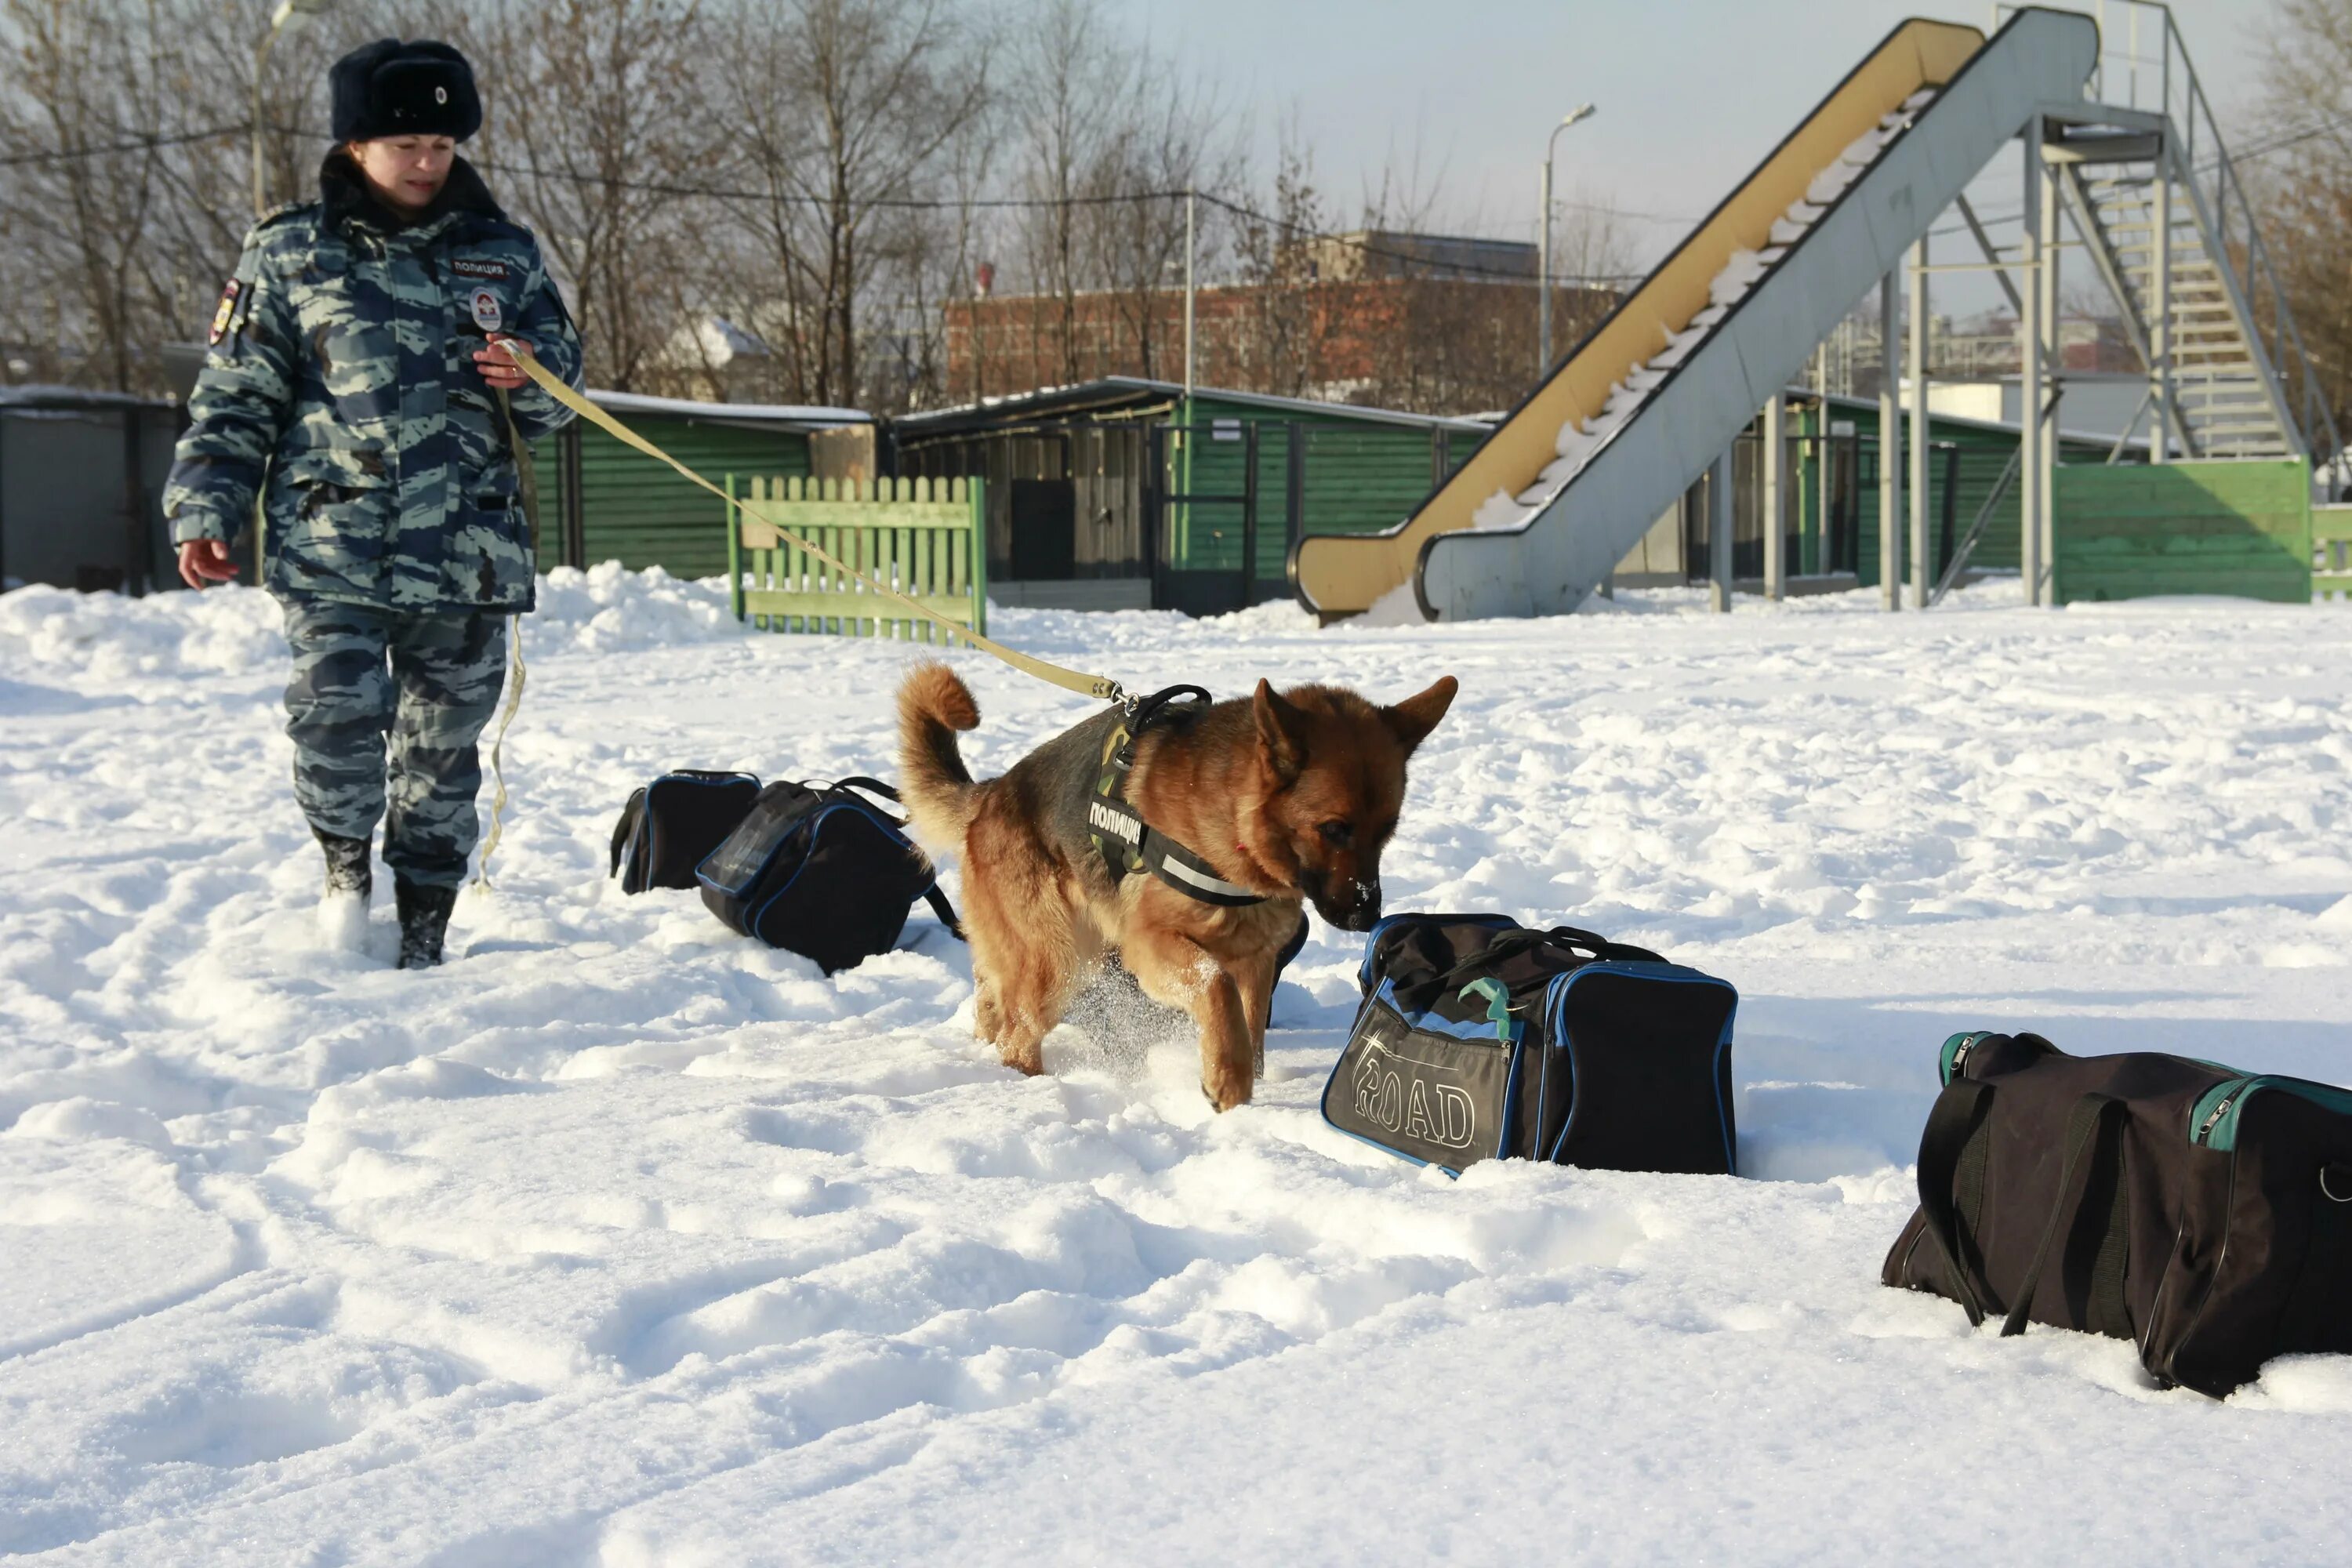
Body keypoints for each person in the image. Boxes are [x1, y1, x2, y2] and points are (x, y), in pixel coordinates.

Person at [164, 38, 584, 968]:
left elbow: (562, 407)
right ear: (355, 145)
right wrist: (207, 504)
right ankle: (345, 874)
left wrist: (529, 376)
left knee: (441, 756)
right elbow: (238, 395)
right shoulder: (288, 252)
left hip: (468, 552)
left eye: (441, 143)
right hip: (333, 546)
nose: (428, 163)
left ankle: (426, 925)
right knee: (335, 721)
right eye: (407, 146)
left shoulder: (500, 254)